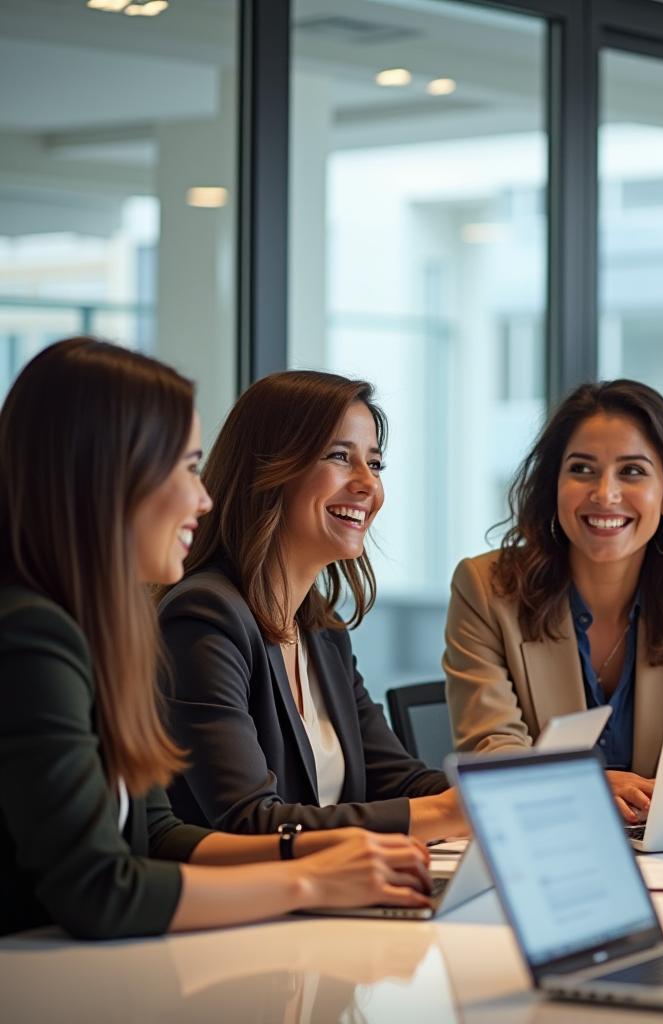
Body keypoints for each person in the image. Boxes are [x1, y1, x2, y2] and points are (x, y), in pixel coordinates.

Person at [0, 339, 432, 940]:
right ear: (106, 474)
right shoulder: (31, 636)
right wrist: (309, 881)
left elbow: (159, 834)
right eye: (186, 467)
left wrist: (311, 861)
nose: (203, 498)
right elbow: (98, 889)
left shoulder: (103, 633)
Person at [158, 371, 464, 842]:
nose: (368, 485)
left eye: (375, 464)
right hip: (246, 909)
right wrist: (450, 815)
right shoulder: (203, 618)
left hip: (329, 897)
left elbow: (401, 781)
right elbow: (251, 821)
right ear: (268, 468)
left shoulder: (321, 629)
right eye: (341, 457)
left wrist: (521, 797)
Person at [444, 379, 663, 822]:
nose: (604, 494)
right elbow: (492, 750)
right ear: (554, 484)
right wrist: (585, 781)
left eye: (631, 471)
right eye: (582, 469)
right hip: (549, 839)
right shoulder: (485, 588)